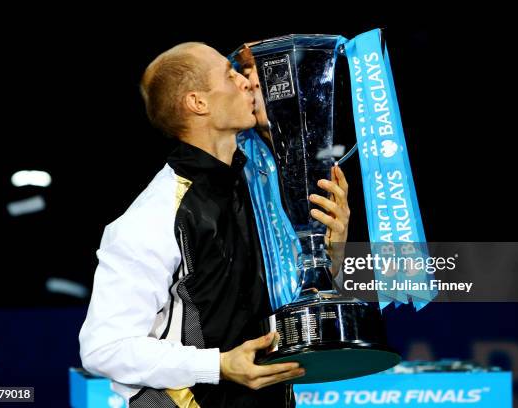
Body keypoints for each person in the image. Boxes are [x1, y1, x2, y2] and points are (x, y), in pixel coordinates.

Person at [79, 42, 350, 407]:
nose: (246, 83)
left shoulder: (256, 189)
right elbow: (103, 349)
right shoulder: (154, 216)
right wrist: (218, 365)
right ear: (198, 103)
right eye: (230, 74)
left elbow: (288, 297)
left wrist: (331, 253)